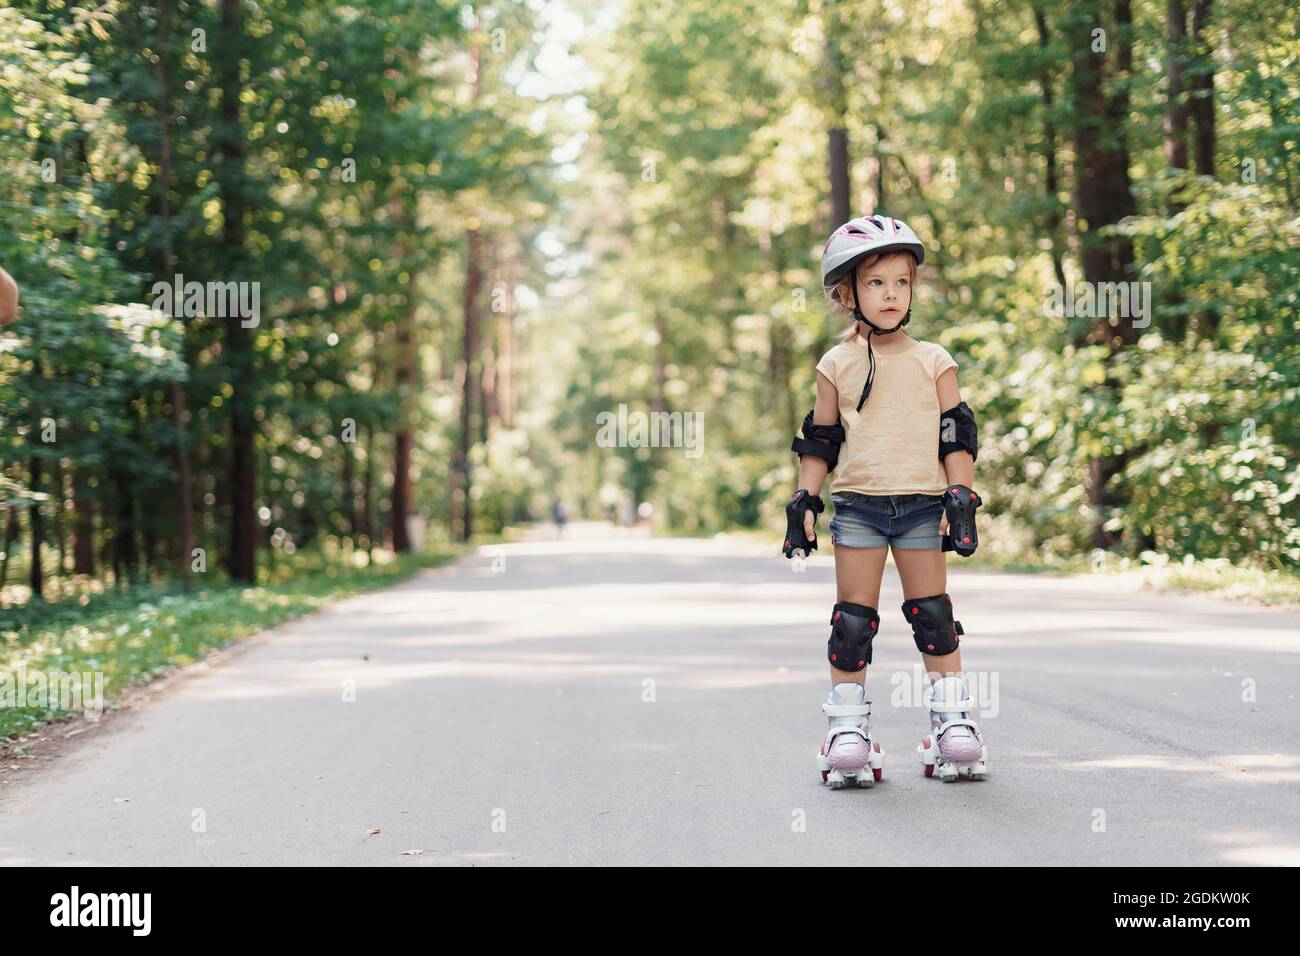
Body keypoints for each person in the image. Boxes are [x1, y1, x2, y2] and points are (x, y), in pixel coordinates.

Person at [783, 215, 987, 788]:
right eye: (876, 283)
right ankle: (847, 728)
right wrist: (805, 502)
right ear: (847, 293)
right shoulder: (836, 364)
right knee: (853, 621)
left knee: (934, 615)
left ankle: (953, 723)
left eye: (901, 281)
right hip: (858, 507)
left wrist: (961, 496)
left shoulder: (934, 359)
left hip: (922, 505)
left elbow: (956, 432)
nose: (891, 293)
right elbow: (820, 438)